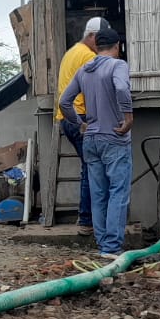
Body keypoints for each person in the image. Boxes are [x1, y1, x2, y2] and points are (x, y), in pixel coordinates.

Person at [57, 27, 133, 257]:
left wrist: (79, 123)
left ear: (97, 46)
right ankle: (112, 247)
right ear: (117, 46)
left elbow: (64, 102)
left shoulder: (84, 70)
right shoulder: (118, 65)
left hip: (91, 138)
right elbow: (122, 87)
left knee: (98, 193)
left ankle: (103, 245)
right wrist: (128, 116)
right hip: (114, 137)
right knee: (118, 191)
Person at [55, 17, 108, 235]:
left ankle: (88, 219)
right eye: (101, 40)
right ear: (92, 36)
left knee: (89, 166)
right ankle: (87, 221)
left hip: (67, 117)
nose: (103, 46)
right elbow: (96, 89)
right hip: (81, 118)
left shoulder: (72, 52)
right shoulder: (89, 57)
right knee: (92, 167)